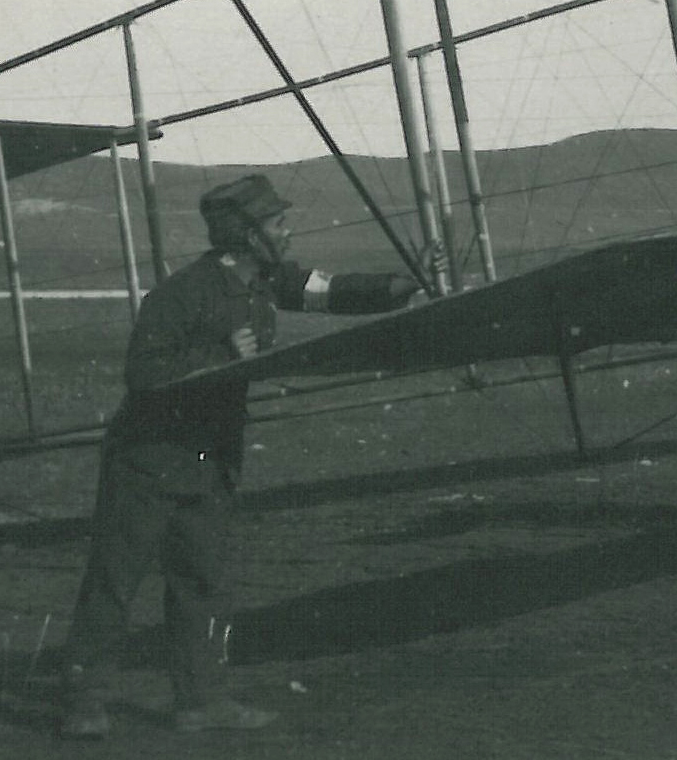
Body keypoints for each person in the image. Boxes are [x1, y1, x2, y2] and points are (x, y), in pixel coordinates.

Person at [59, 174, 420, 738]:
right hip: (147, 463)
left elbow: (334, 292)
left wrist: (404, 285)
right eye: (278, 223)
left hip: (209, 462)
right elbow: (143, 373)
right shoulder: (181, 294)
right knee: (116, 580)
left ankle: (200, 702)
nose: (288, 230)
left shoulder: (267, 282)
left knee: (202, 583)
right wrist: (218, 354)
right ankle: (83, 703)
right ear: (248, 236)